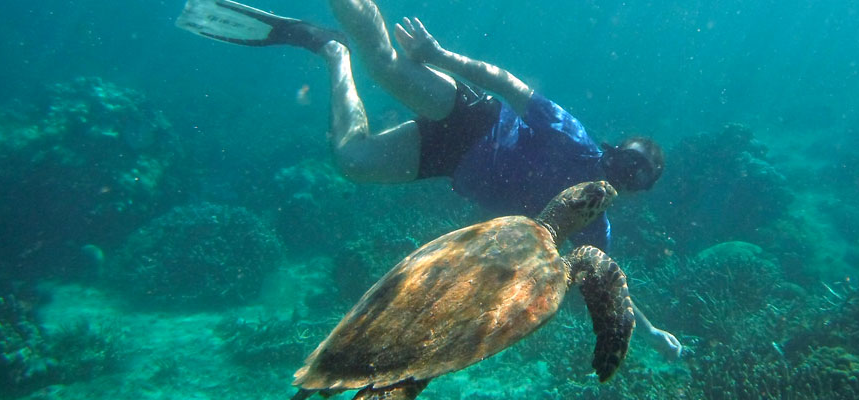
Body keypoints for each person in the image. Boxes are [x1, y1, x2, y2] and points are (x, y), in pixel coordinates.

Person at [176, 0, 681, 359]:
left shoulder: (595, 227)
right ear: (612, 148)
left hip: (448, 162)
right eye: (624, 158)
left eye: (637, 175)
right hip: (472, 116)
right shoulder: (574, 137)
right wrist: (439, 56)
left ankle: (329, 50)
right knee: (387, 65)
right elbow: (507, 85)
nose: (621, 173)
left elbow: (609, 291)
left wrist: (652, 334)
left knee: (352, 160)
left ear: (641, 192)